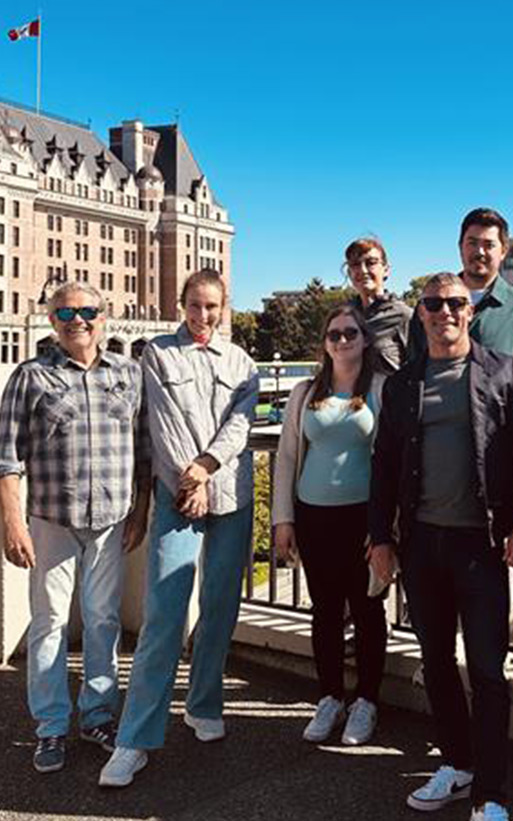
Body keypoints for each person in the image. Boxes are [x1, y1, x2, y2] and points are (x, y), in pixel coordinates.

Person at [368, 273, 513, 821]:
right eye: (434, 304)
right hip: (422, 544)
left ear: (470, 311)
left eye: (454, 304)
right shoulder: (405, 383)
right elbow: (384, 466)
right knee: (437, 662)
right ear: (420, 313)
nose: (445, 312)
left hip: (481, 545)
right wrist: (380, 538)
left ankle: (491, 793)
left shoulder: (505, 371)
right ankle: (458, 764)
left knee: (489, 670)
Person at [100, 269, 259, 788]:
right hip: (178, 496)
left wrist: (208, 467)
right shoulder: (158, 355)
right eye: (195, 306)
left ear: (224, 306)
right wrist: (187, 480)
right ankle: (134, 739)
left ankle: (203, 703)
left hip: (229, 493)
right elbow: (162, 426)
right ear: (181, 303)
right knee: (164, 616)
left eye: (212, 307)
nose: (202, 317)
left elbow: (242, 421)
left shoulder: (241, 361)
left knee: (219, 607)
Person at [0, 282, 149, 774]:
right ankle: (50, 727)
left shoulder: (129, 373)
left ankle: (98, 716)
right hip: (51, 518)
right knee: (50, 624)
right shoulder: (30, 375)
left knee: (103, 620)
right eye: (66, 311)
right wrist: (12, 522)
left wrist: (140, 509)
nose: (77, 319)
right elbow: (6, 457)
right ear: (51, 319)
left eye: (87, 310)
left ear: (104, 317)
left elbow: (143, 450)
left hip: (111, 518)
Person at [271, 305, 387, 746]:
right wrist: (283, 519)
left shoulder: (380, 389)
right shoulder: (305, 392)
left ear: (365, 339)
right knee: (324, 611)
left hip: (363, 518)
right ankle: (331, 697)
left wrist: (383, 528)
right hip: (313, 515)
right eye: (334, 334)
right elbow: (285, 457)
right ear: (325, 342)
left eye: (351, 333)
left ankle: (366, 701)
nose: (342, 340)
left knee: (367, 609)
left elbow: (391, 461)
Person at [409, 208, 513, 367]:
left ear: (503, 251)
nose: (480, 252)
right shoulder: (430, 305)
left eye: (489, 245)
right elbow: (413, 367)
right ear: (460, 247)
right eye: (472, 243)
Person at [343, 236, 413, 374]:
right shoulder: (343, 317)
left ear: (386, 269)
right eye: (355, 264)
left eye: (371, 263)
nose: (363, 270)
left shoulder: (404, 316)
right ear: (350, 273)